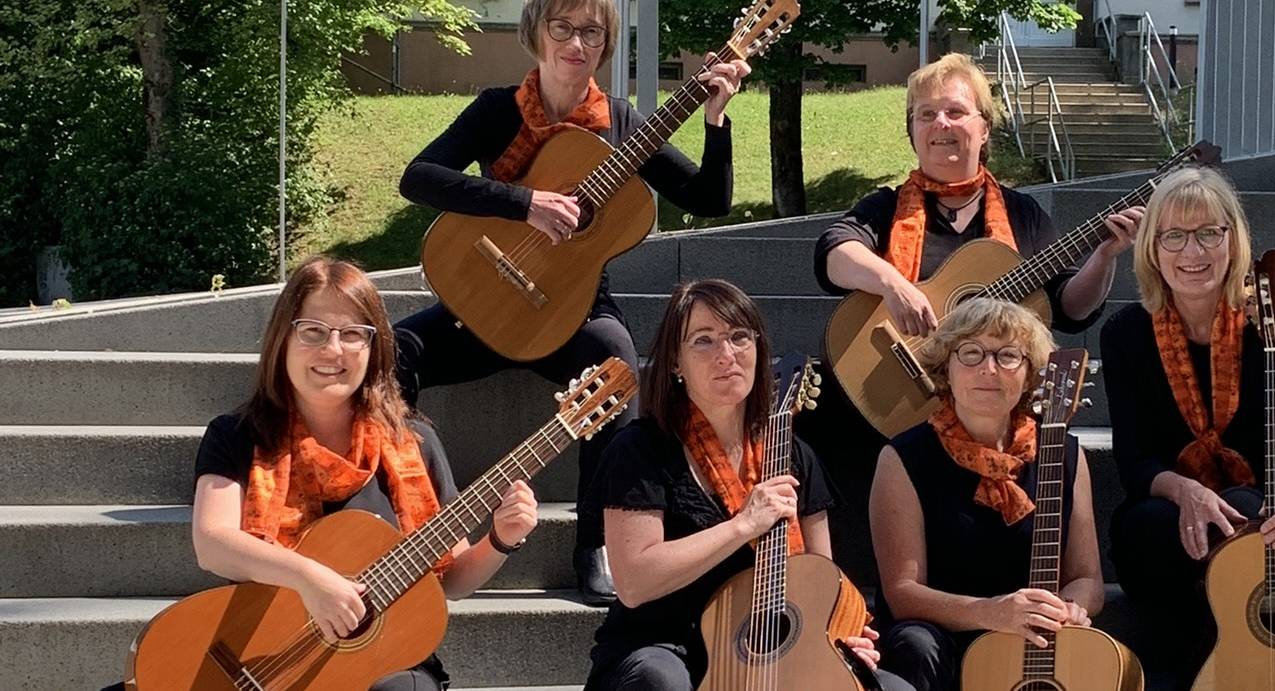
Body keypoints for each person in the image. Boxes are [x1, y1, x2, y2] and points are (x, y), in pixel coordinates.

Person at [392, 0, 750, 605]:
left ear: (605, 45)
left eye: (591, 32)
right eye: (562, 27)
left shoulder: (621, 123)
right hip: (487, 301)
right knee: (393, 352)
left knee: (614, 365)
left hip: (574, 312)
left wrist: (716, 120)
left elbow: (708, 199)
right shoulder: (497, 110)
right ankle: (403, 524)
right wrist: (523, 202)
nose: (575, 43)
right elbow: (418, 177)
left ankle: (600, 547)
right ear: (537, 33)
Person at [804, 52, 1140, 583]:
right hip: (899, 397)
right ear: (912, 132)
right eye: (926, 114)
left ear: (985, 129)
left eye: (956, 112)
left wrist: (1104, 255)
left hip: (987, 407)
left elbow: (1070, 310)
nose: (941, 124)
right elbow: (833, 253)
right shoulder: (885, 208)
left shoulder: (1023, 215)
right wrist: (892, 282)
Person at [190, 256, 538, 689]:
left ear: (373, 348)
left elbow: (449, 580)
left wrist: (502, 539)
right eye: (313, 331)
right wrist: (311, 579)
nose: (333, 351)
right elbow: (212, 544)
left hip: (383, 660)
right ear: (283, 338)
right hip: (264, 654)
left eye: (353, 334)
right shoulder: (238, 435)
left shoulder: (414, 443)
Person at [585, 279, 913, 691]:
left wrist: (842, 634)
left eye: (739, 337)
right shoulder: (640, 450)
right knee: (660, 681)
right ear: (674, 363)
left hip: (771, 647)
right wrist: (743, 524)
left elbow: (822, 580)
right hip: (668, 645)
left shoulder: (791, 452)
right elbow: (634, 583)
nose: (727, 355)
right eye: (704, 341)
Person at [1098, 167, 1275, 690]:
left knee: (1249, 514)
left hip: (1263, 510)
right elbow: (1135, 462)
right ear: (1152, 247)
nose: (1193, 252)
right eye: (1175, 235)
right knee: (1157, 528)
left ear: (1233, 240)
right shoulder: (1125, 334)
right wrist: (1185, 490)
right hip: (1168, 522)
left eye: (1210, 232)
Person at [868, 298, 1105, 691]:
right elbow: (903, 594)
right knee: (914, 643)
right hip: (943, 637)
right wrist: (992, 613)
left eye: (1008, 355)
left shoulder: (1062, 452)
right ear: (947, 367)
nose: (989, 369)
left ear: (1030, 374)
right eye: (971, 353)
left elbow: (1086, 578)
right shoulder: (904, 458)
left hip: (1031, 637)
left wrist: (1066, 609)